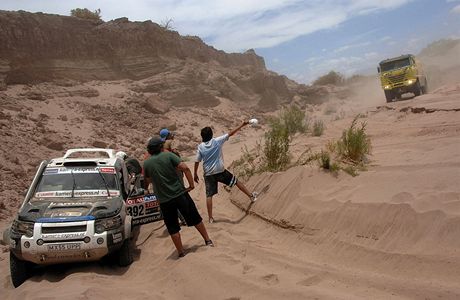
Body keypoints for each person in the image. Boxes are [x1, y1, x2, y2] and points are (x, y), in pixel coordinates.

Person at [143, 136, 213, 258]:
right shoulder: (169, 155)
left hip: (164, 201)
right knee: (195, 218)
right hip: (180, 194)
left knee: (173, 227)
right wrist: (191, 185)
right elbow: (185, 168)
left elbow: (147, 180)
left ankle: (181, 252)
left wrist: (147, 189)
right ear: (161, 146)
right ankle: (207, 240)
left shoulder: (147, 163)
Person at [194, 122, 258, 224]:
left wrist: (195, 173)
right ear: (211, 135)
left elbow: (197, 160)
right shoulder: (217, 141)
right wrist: (242, 125)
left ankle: (210, 218)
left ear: (202, 136)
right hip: (220, 171)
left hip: (208, 174)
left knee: (209, 195)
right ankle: (251, 196)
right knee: (236, 181)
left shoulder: (200, 147)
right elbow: (231, 133)